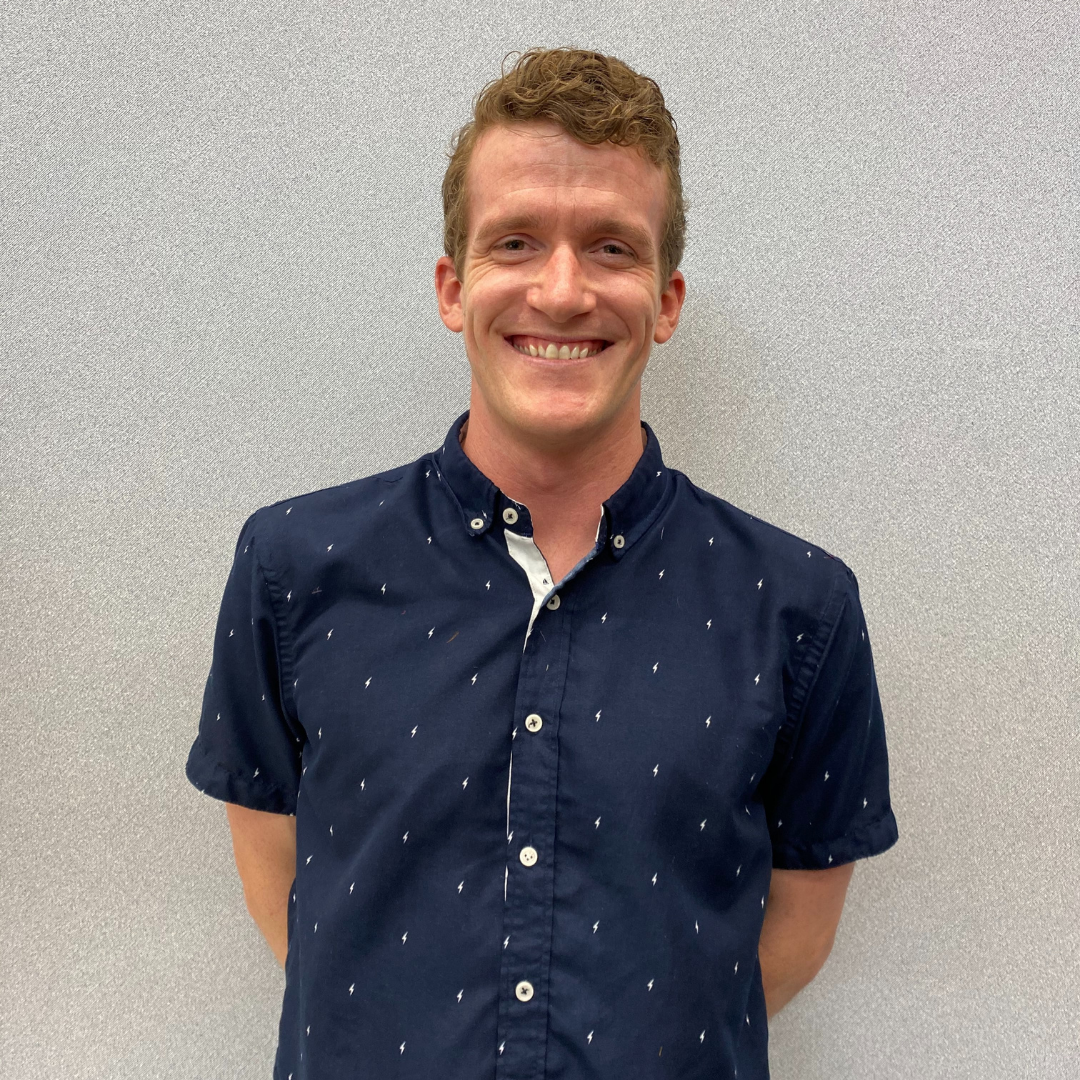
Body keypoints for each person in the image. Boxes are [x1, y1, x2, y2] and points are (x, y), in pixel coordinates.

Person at [185, 46, 899, 1080]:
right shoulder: (293, 569)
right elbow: (285, 888)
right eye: (515, 241)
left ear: (666, 300)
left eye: (611, 247)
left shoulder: (799, 609)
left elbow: (788, 939)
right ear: (453, 287)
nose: (562, 292)